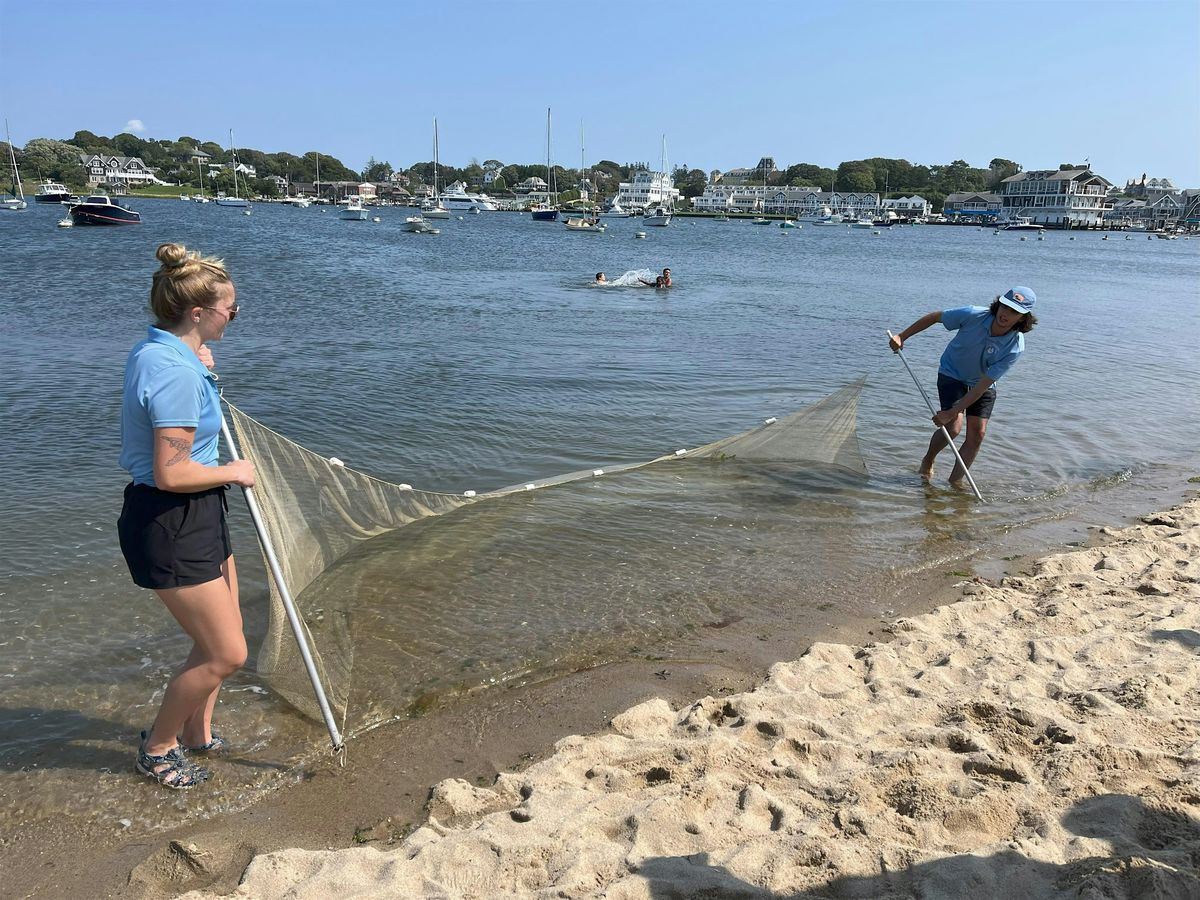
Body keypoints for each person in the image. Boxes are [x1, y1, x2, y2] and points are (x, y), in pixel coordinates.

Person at [117, 242, 256, 789]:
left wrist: (199, 365)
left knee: (223, 637)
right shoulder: (172, 370)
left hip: (196, 513)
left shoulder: (165, 352)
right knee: (227, 653)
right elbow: (171, 472)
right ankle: (158, 748)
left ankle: (198, 735)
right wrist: (234, 470)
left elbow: (178, 393)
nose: (235, 317)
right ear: (197, 312)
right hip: (171, 518)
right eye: (231, 310)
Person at [888, 286, 1037, 487]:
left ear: (1022, 318)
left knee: (977, 434)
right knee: (954, 427)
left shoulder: (1016, 345)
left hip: (981, 383)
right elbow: (935, 317)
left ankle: (955, 483)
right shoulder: (973, 314)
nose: (1005, 314)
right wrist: (902, 336)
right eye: (1005, 307)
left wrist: (953, 410)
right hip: (952, 373)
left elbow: (984, 384)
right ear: (999, 304)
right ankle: (929, 458)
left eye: (1014, 312)